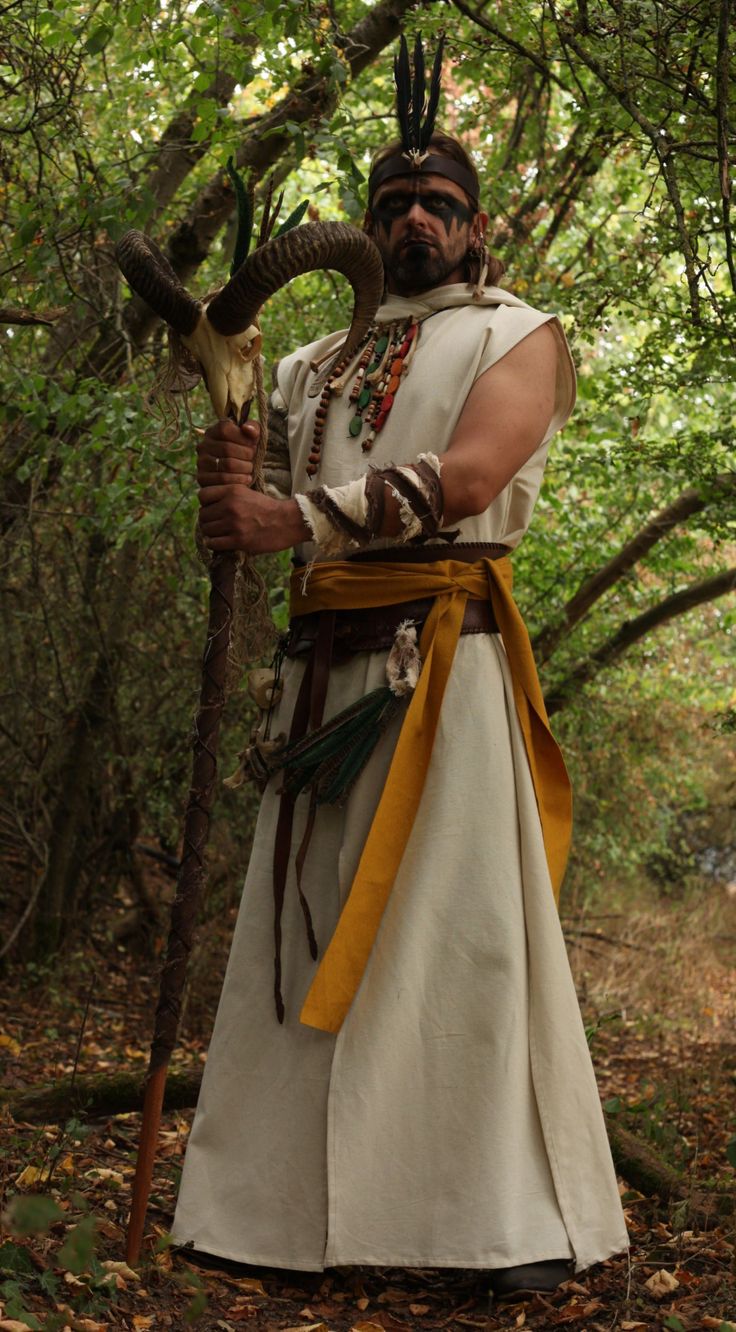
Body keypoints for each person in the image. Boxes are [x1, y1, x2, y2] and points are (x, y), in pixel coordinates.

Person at [170, 96, 628, 1293]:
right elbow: (253, 506)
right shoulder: (315, 364)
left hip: (443, 673)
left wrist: (285, 517)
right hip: (315, 686)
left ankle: (485, 1230)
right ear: (369, 230)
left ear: (477, 230)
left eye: (439, 205)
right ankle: (265, 1219)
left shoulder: (519, 334)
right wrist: (229, 475)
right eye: (393, 205)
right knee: (297, 931)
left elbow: (471, 475)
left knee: (451, 942)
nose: (415, 219)